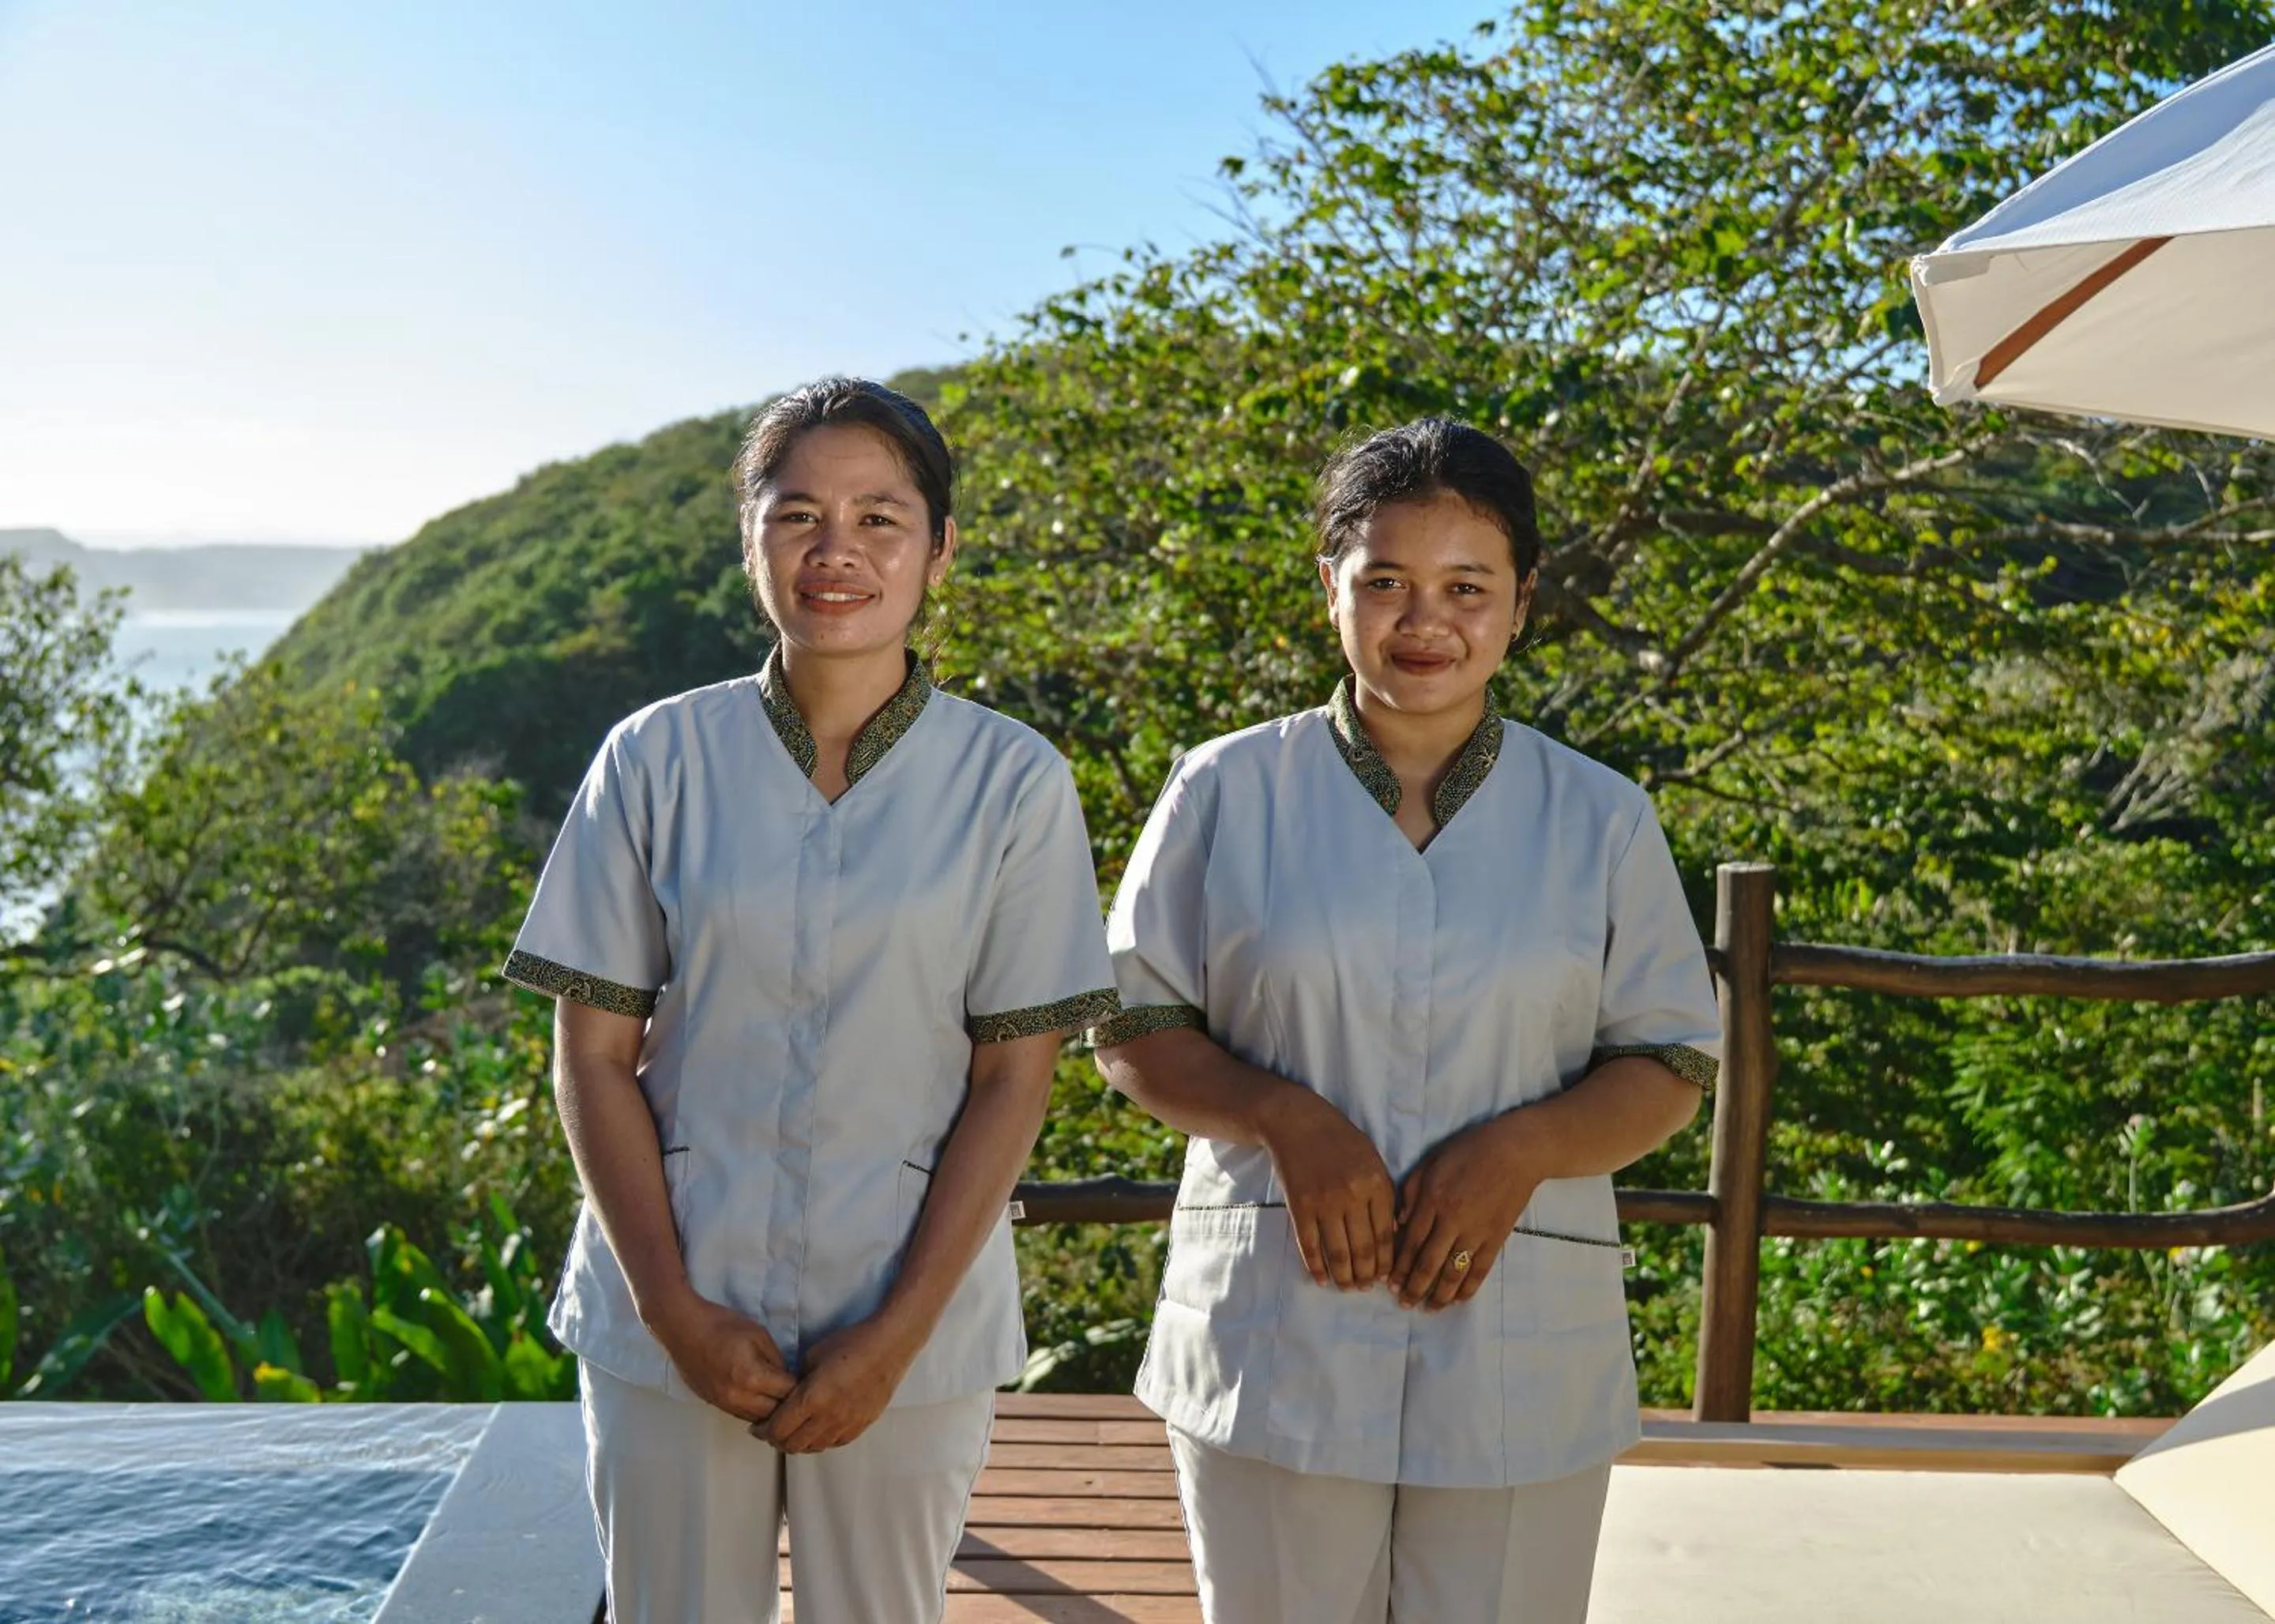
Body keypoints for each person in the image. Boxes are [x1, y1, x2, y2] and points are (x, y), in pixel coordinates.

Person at [504, 376, 1118, 1624]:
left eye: (880, 519)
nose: (836, 552)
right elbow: (592, 1056)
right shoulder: (654, 759)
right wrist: (672, 1310)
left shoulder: (1012, 782)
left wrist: (892, 1338)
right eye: (797, 517)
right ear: (749, 539)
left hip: (913, 1321)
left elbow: (1014, 1079)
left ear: (939, 547)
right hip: (675, 1307)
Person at [1090, 417, 1721, 1623]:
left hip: (1516, 1328)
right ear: (1330, 587)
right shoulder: (1225, 787)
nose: (1424, 620)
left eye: (1466, 587)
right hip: (1275, 1320)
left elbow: (1666, 1060)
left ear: (1523, 602)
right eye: (1385, 582)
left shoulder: (1600, 818)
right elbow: (1134, 1024)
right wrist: (1283, 1118)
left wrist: (1524, 1150)